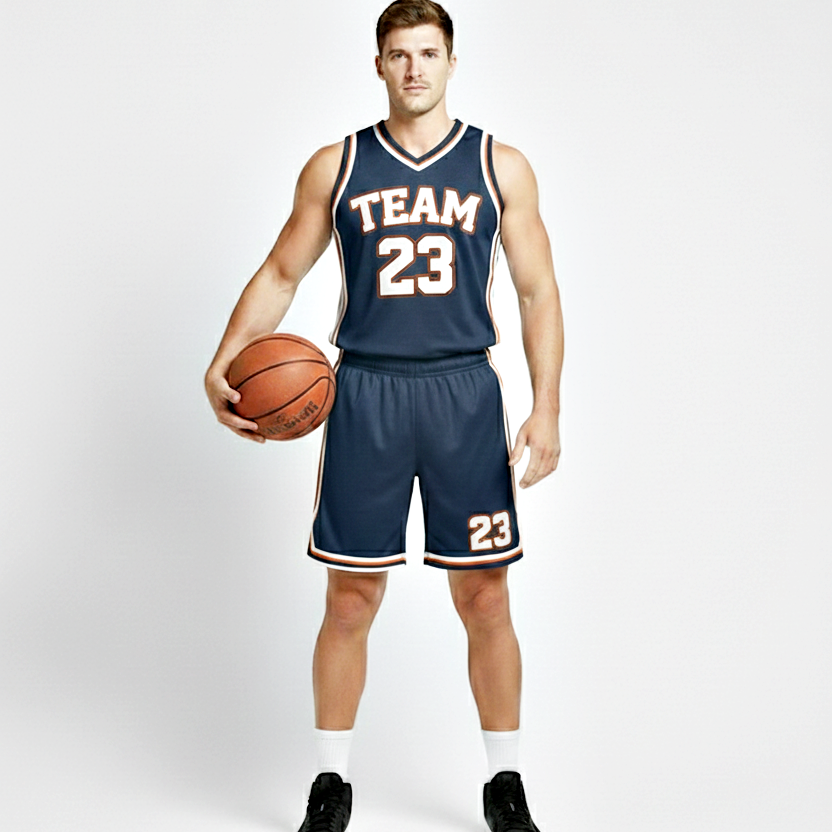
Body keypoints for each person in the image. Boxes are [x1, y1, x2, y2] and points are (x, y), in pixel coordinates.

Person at [205, 1, 563, 829]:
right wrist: (224, 358)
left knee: (486, 598)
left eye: (428, 53)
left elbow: (538, 291)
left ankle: (505, 784)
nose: (414, 69)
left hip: (464, 394)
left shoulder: (499, 165)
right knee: (349, 599)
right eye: (399, 54)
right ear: (378, 64)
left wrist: (546, 407)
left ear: (451, 62)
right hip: (365, 393)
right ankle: (331, 783)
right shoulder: (337, 165)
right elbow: (281, 273)